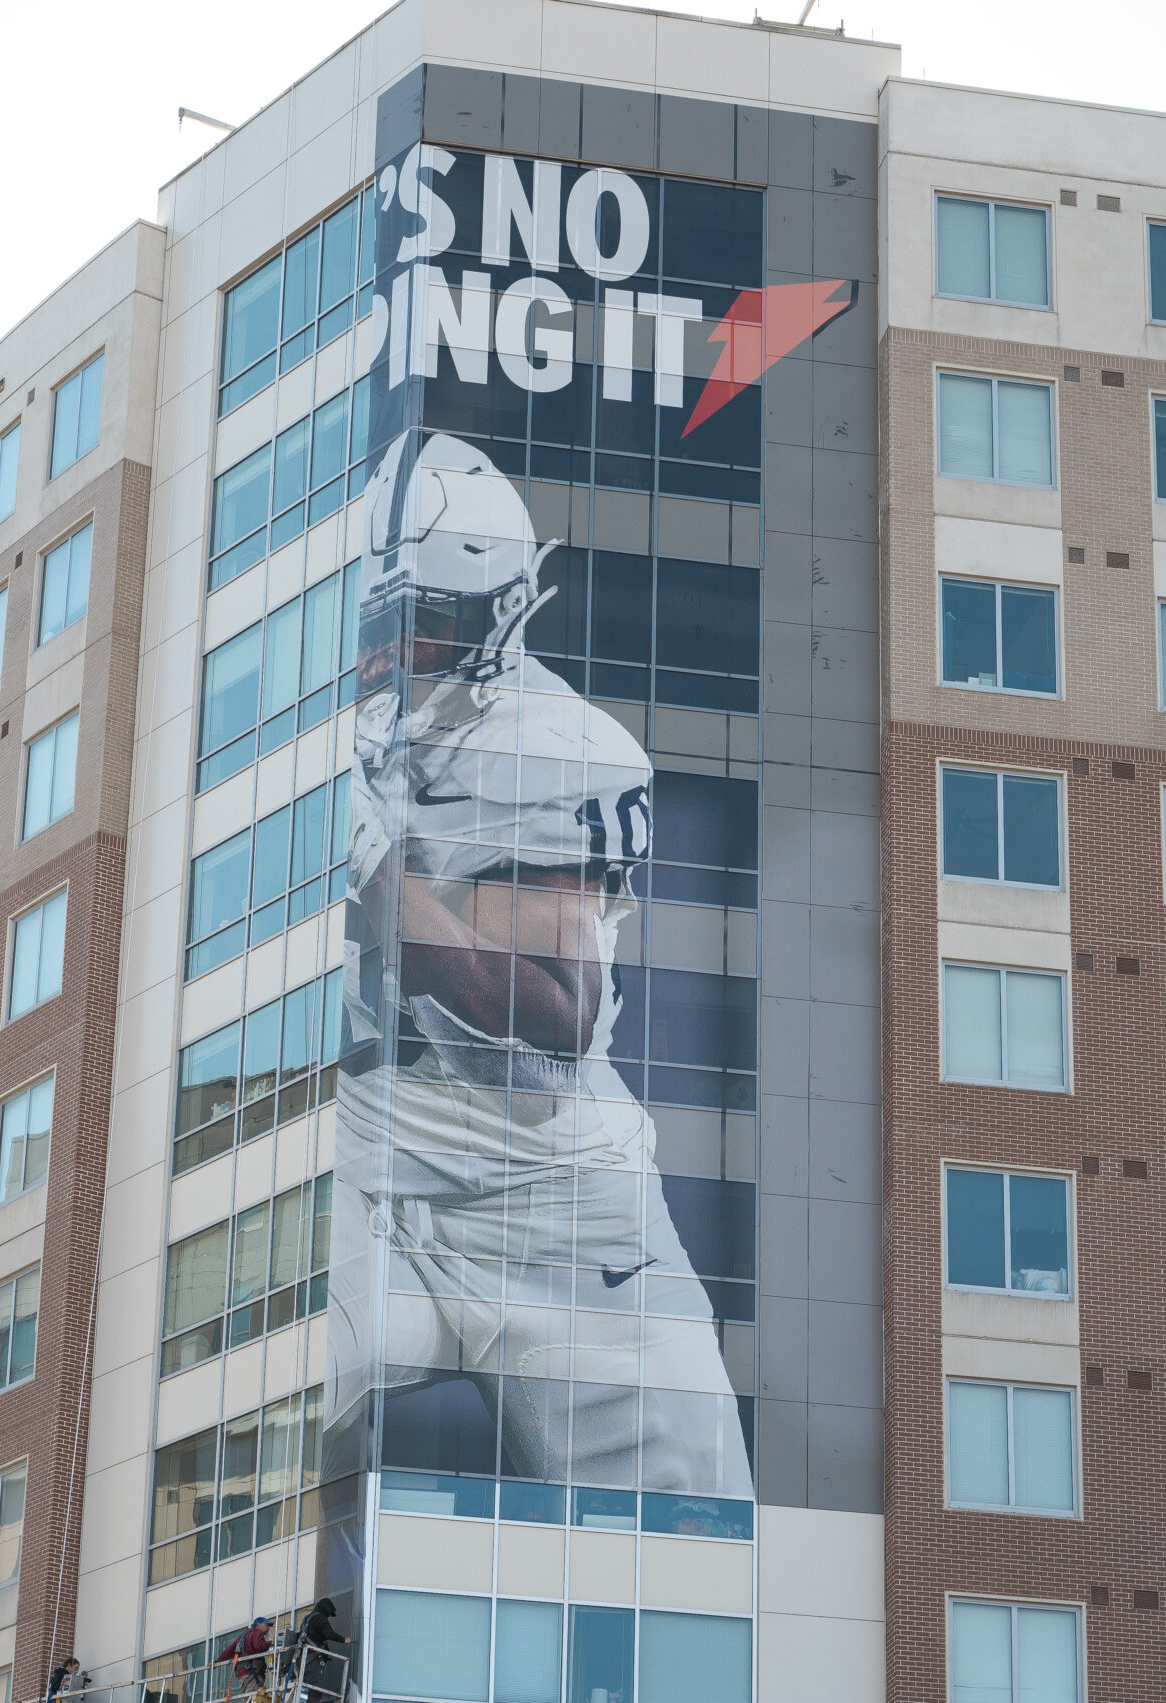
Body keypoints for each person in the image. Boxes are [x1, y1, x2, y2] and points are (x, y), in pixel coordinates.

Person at [331, 428, 754, 1500]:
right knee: (236, 1405)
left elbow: (563, 1010)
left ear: (500, 609)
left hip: (554, 1198)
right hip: (381, 1152)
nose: (395, 654)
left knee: (685, 1552)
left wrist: (386, 883)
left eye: (427, 626)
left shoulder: (555, 747)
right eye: (382, 625)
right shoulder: (330, 733)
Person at [295, 1598, 350, 1701]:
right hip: (311, 1660)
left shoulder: (307, 1619)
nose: (329, 1616)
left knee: (306, 1689)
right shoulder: (320, 1618)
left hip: (302, 1659)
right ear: (325, 1609)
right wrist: (343, 1640)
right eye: (329, 1613)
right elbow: (329, 1634)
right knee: (315, 1689)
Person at [220, 1616, 275, 1703]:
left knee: (250, 1698)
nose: (268, 1628)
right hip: (252, 1673)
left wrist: (216, 1662)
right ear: (258, 1624)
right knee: (254, 1698)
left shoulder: (242, 1636)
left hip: (244, 1674)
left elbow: (229, 1651)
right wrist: (270, 1643)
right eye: (266, 1625)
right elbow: (259, 1646)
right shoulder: (257, 1633)